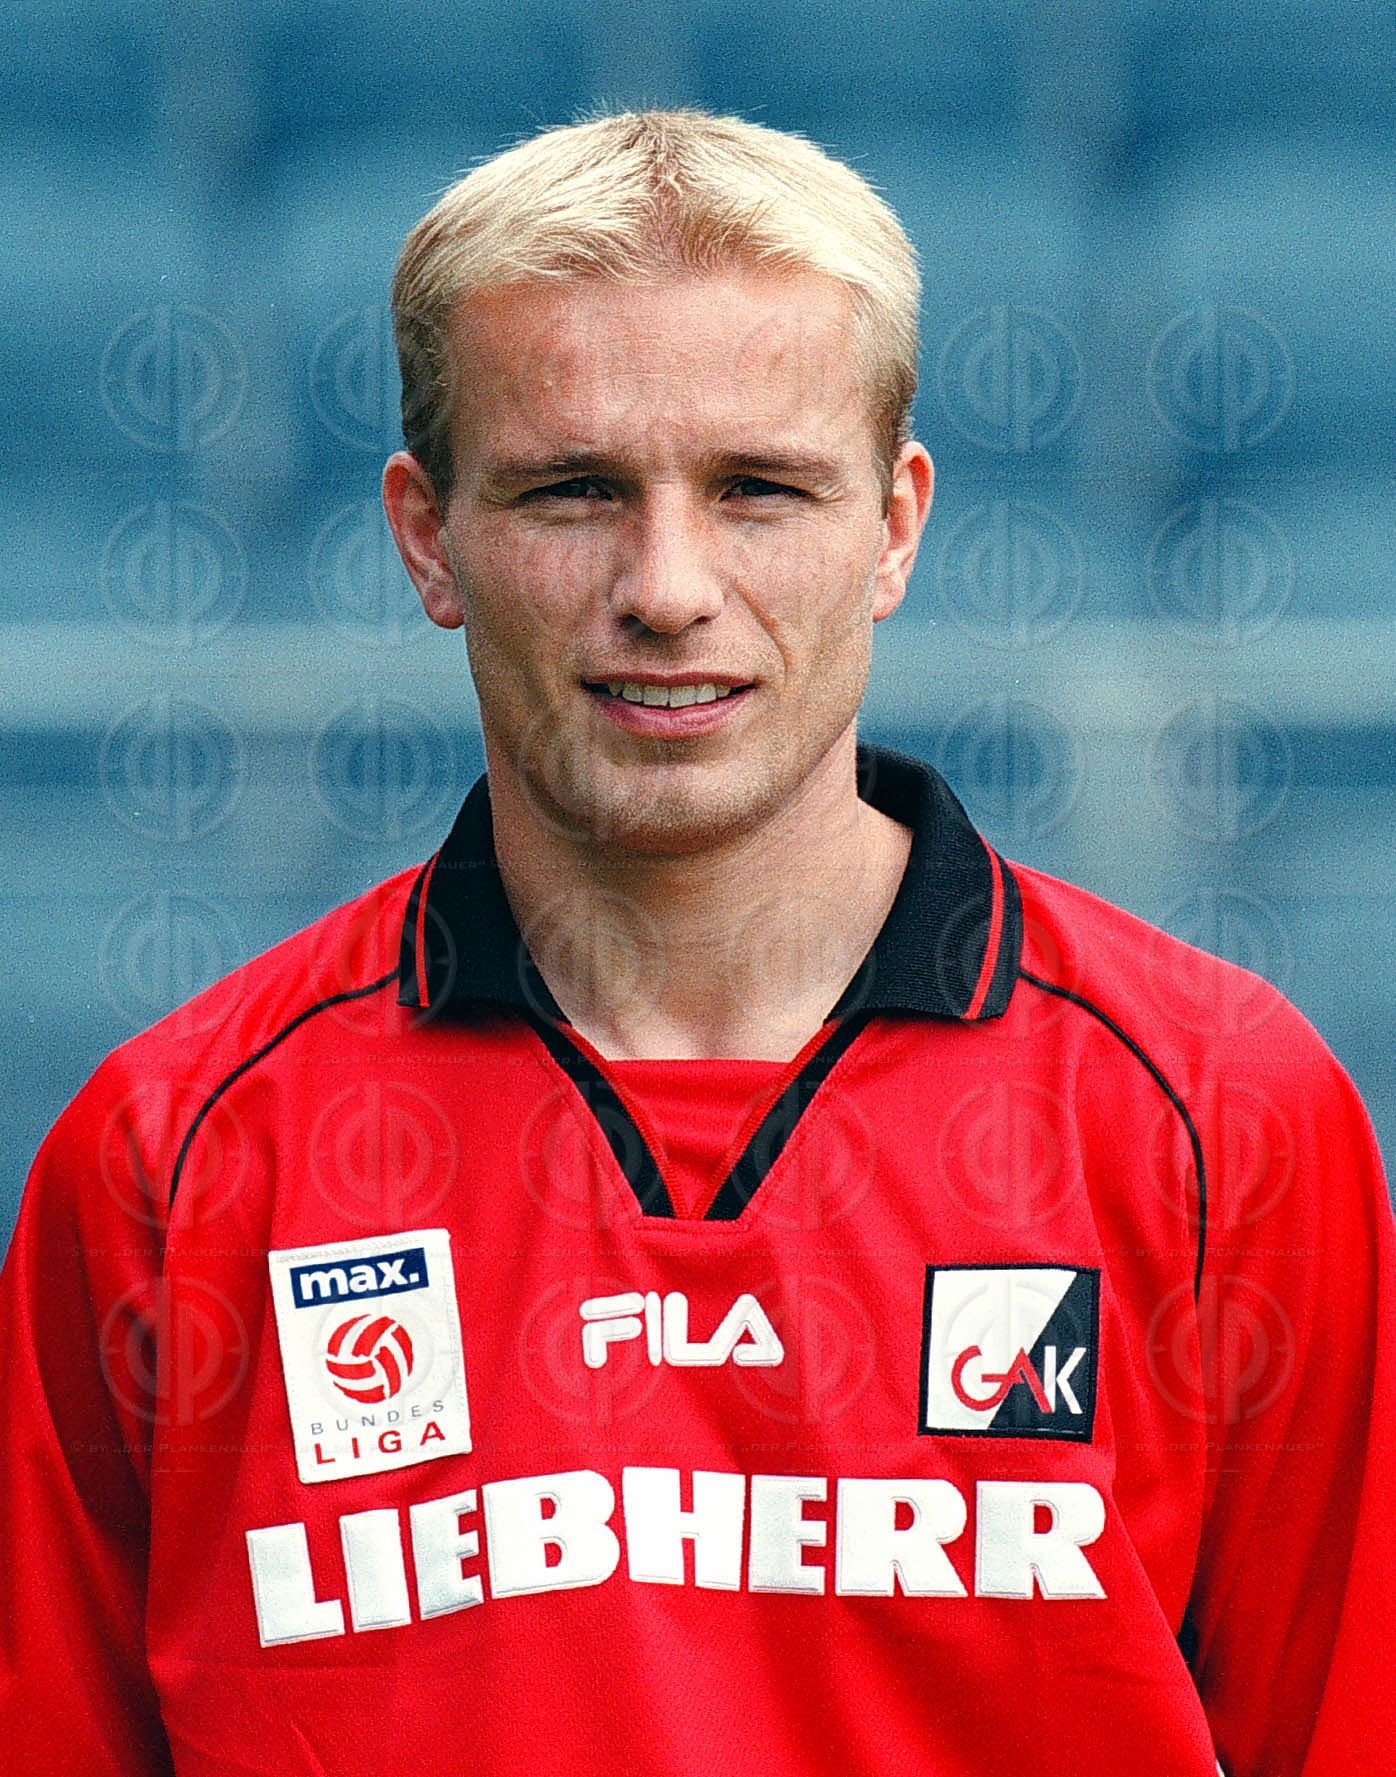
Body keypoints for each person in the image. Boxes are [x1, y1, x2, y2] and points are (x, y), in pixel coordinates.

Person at [1, 108, 1392, 1777]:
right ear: (428, 536)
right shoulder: (173, 1161)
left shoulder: (1222, 1124)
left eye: (759, 490)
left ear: (895, 527)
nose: (667, 587)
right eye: (575, 489)